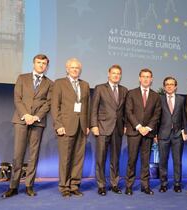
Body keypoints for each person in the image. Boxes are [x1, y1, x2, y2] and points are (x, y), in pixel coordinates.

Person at [2, 54, 53, 198]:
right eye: (38, 62)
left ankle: (29, 185)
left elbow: (48, 103)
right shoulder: (22, 78)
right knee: (18, 155)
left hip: (38, 122)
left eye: (44, 63)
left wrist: (36, 117)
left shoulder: (50, 83)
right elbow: (17, 99)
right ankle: (13, 186)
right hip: (21, 120)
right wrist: (26, 115)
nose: (41, 65)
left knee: (33, 155)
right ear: (33, 64)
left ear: (47, 66)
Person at [51, 58, 90, 197]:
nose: (75, 70)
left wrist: (87, 125)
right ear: (67, 69)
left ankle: (74, 185)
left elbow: (87, 107)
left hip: (81, 127)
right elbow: (55, 107)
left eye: (77, 68)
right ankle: (64, 186)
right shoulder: (59, 83)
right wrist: (58, 125)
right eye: (72, 67)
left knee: (78, 158)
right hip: (66, 126)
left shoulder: (85, 85)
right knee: (66, 158)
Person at [90, 64, 128, 196]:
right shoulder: (100, 88)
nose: (116, 75)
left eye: (118, 73)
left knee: (115, 159)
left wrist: (125, 125)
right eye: (114, 73)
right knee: (101, 159)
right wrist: (93, 125)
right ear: (109, 74)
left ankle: (114, 184)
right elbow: (93, 108)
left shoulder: (124, 90)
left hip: (117, 130)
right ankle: (101, 185)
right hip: (102, 128)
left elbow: (124, 111)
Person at [124, 68, 161, 195]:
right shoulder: (131, 93)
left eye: (148, 77)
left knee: (146, 161)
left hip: (148, 133)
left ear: (151, 79)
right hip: (134, 131)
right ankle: (129, 186)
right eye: (143, 76)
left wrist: (148, 128)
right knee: (132, 160)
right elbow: (128, 111)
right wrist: (139, 127)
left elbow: (157, 114)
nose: (146, 79)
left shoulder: (156, 96)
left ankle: (145, 186)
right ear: (139, 78)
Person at [157, 76, 187, 193]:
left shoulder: (181, 99)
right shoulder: (159, 99)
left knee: (177, 161)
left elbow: (184, 116)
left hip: (177, 134)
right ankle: (163, 184)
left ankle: (177, 184)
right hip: (163, 134)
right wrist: (155, 134)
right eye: (167, 84)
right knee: (163, 161)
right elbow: (156, 118)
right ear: (164, 87)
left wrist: (185, 131)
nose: (169, 86)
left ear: (175, 87)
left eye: (171, 84)